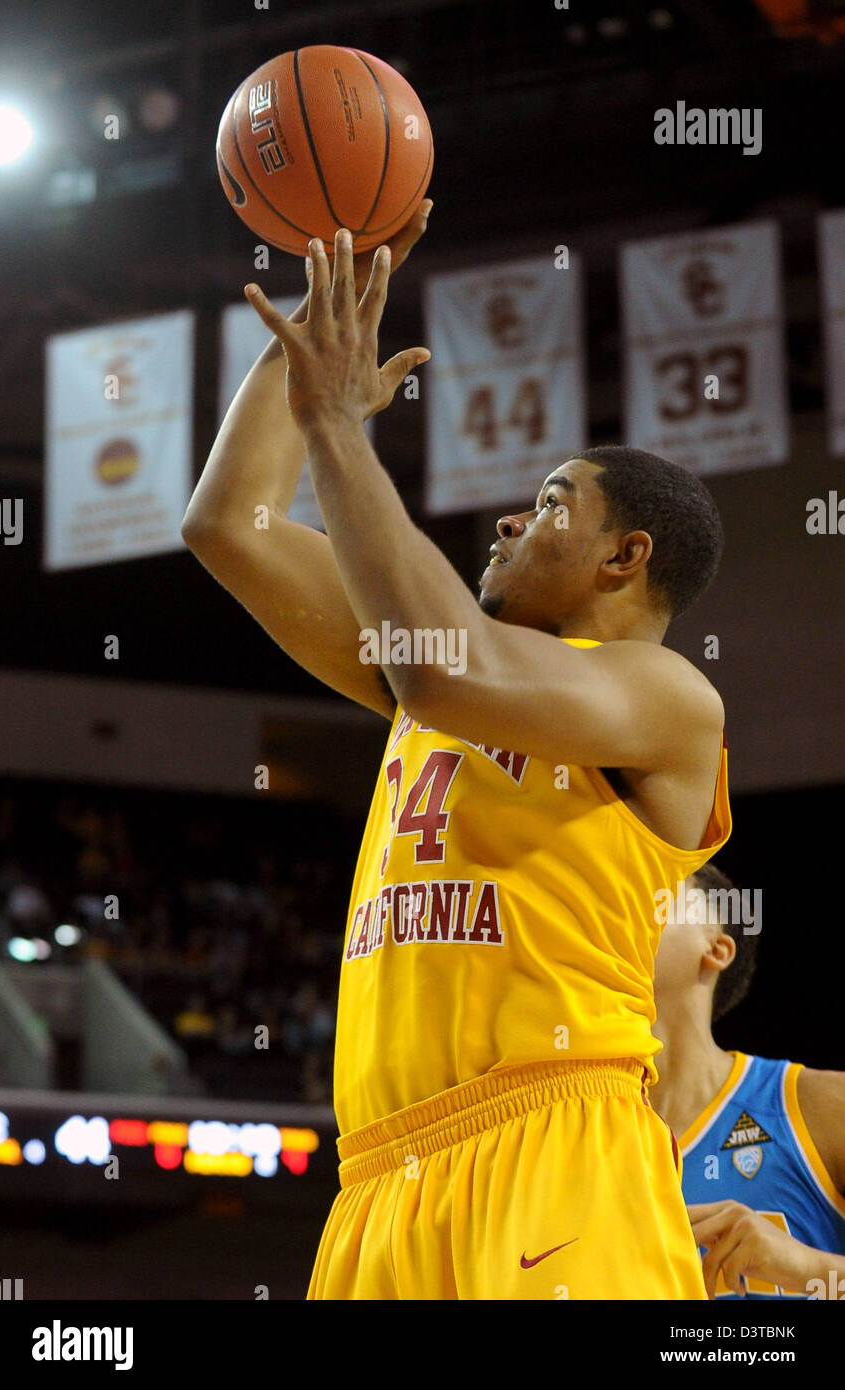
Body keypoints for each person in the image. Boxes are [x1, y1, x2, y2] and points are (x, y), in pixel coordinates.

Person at [181, 203, 730, 1299]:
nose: (508, 524)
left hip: (551, 1145)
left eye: (547, 505)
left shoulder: (665, 697)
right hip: (381, 1176)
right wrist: (312, 355)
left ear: (626, 556)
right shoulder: (425, 675)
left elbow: (451, 667)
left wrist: (342, 426)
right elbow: (227, 524)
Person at [652, 861, 845, 1299]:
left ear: (716, 948)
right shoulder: (574, 1141)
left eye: (657, 893)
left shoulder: (815, 1103)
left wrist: (812, 1269)